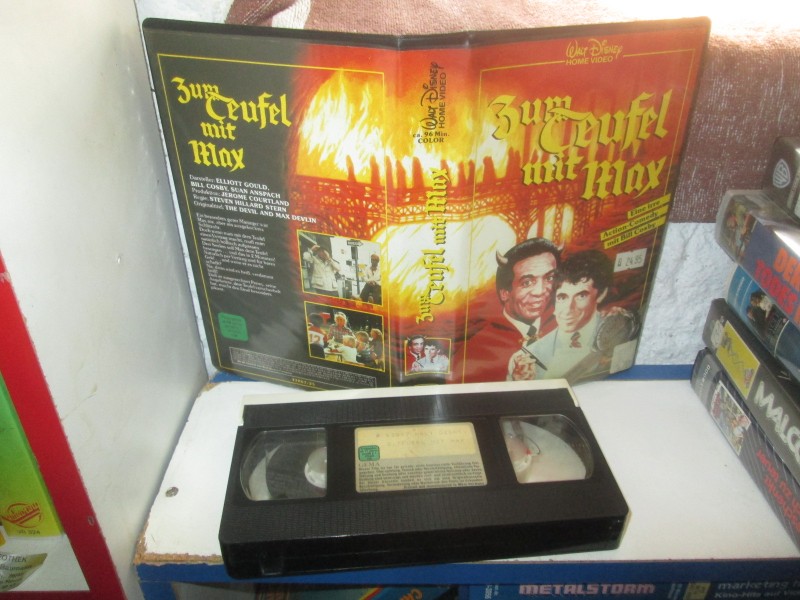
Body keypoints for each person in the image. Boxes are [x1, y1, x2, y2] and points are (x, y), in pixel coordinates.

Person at [508, 249, 615, 381]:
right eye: (562, 297)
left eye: (581, 296)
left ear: (601, 294)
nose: (568, 309)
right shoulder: (525, 358)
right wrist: (521, 384)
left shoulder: (621, 327)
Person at [464, 238, 561, 382]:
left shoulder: (562, 322)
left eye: (549, 278)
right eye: (527, 282)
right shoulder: (478, 348)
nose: (540, 291)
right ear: (505, 293)